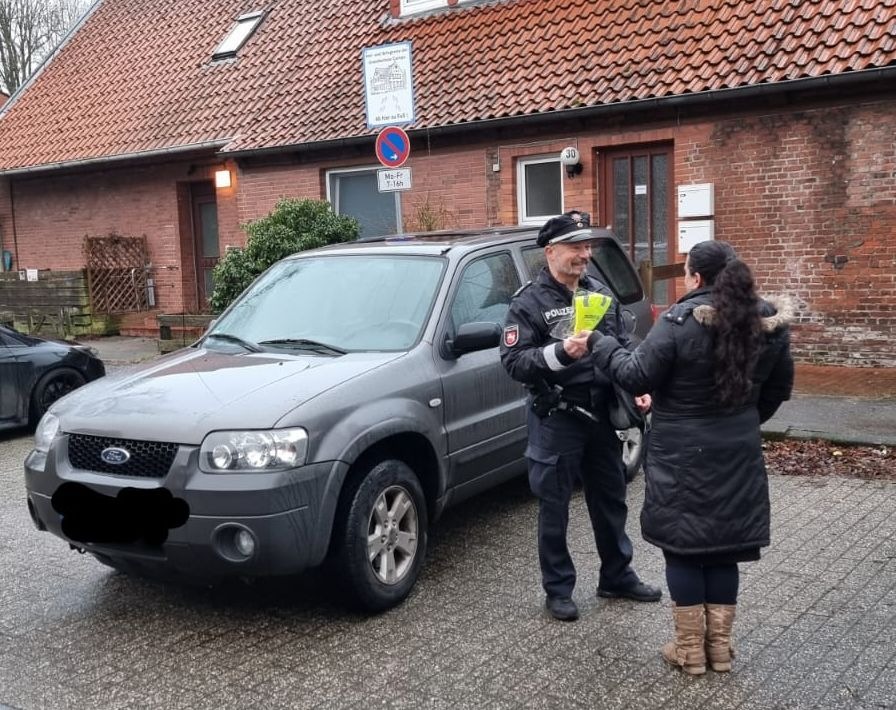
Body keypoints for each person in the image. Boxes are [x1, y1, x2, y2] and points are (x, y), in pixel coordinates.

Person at [581, 239, 794, 673]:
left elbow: (634, 373)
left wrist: (600, 344)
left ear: (694, 277)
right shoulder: (767, 322)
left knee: (684, 548)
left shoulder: (678, 323)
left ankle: (690, 650)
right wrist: (742, 422)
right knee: (723, 549)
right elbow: (778, 389)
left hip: (682, 454)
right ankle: (720, 650)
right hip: (738, 451)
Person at [500, 210, 662, 622]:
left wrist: (636, 387)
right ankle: (558, 589)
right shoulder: (528, 302)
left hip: (602, 415)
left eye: (587, 247)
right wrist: (558, 354)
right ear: (551, 251)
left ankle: (617, 576)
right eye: (575, 247)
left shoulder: (598, 292)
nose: (585, 255)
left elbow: (623, 344)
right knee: (554, 507)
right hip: (557, 416)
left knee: (611, 500)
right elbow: (514, 362)